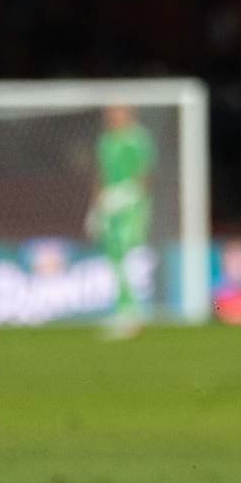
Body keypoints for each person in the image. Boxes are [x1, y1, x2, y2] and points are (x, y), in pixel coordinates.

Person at [89, 104, 154, 339]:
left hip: (130, 205)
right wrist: (96, 206)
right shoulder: (105, 141)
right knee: (114, 256)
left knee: (129, 256)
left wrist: (130, 196)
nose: (112, 117)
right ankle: (123, 310)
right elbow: (100, 174)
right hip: (109, 205)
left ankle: (133, 313)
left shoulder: (138, 139)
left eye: (117, 112)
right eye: (109, 113)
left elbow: (144, 174)